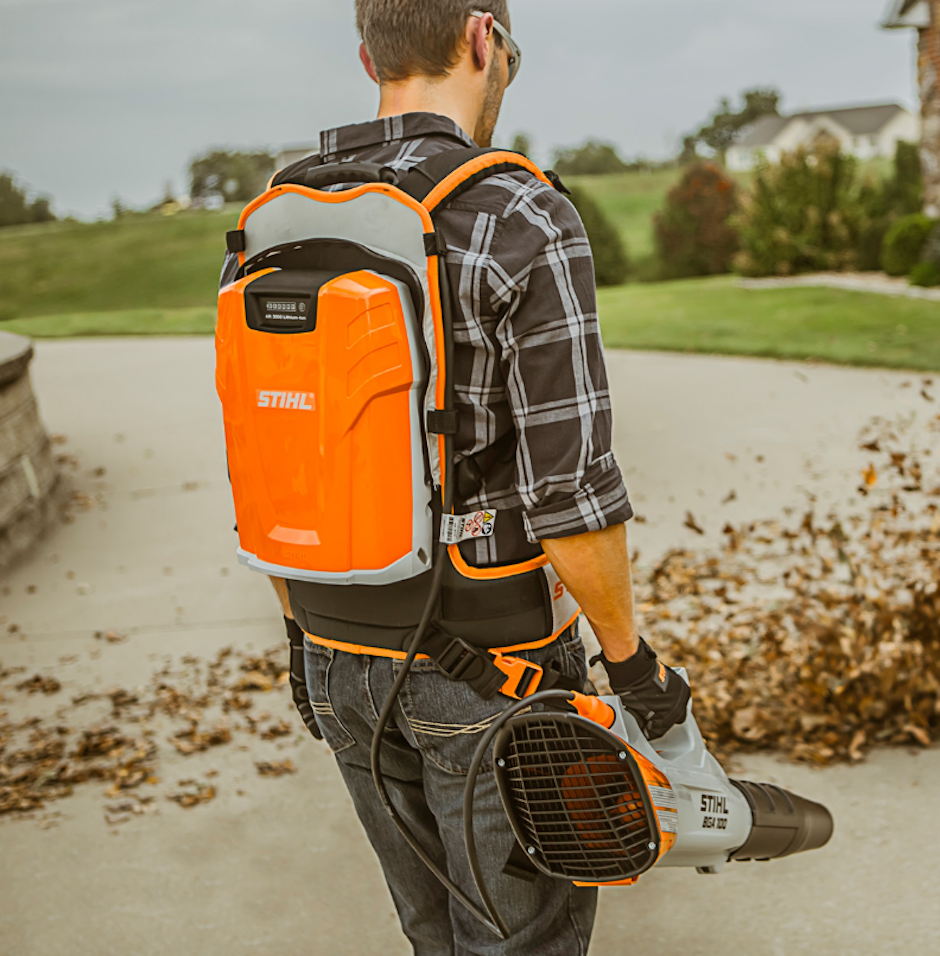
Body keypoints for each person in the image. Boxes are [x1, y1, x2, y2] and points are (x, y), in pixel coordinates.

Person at [219, 3, 691, 953]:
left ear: (369, 56)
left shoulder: (274, 217)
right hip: (494, 669)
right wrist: (636, 671)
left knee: (432, 936)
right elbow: (572, 493)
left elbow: (268, 465)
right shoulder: (519, 212)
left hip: (333, 652)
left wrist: (304, 643)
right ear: (484, 38)